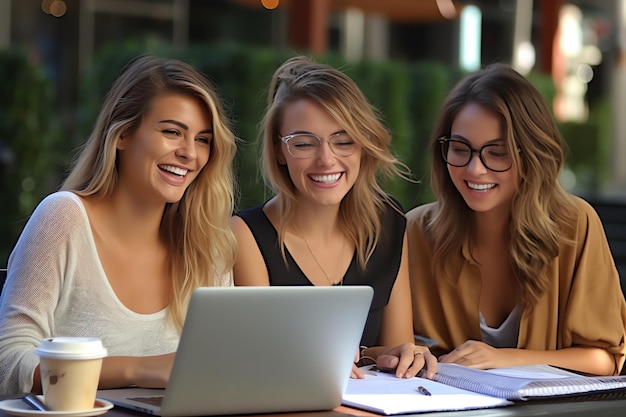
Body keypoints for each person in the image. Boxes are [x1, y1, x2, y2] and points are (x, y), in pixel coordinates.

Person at [0, 54, 237, 395]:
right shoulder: (63, 217)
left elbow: (225, 365)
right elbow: (9, 364)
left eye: (203, 139)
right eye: (173, 132)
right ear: (122, 134)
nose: (190, 153)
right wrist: (137, 369)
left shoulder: (207, 245)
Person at [407, 63, 626, 376]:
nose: (474, 169)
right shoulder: (415, 231)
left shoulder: (575, 223)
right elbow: (391, 346)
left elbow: (603, 359)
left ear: (532, 154)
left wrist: (506, 358)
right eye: (460, 149)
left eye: (497, 152)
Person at [230, 56, 436, 380]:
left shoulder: (389, 222)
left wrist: (403, 355)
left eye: (343, 140)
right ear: (279, 150)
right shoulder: (245, 235)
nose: (327, 159)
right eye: (303, 143)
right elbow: (259, 360)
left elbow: (397, 347)